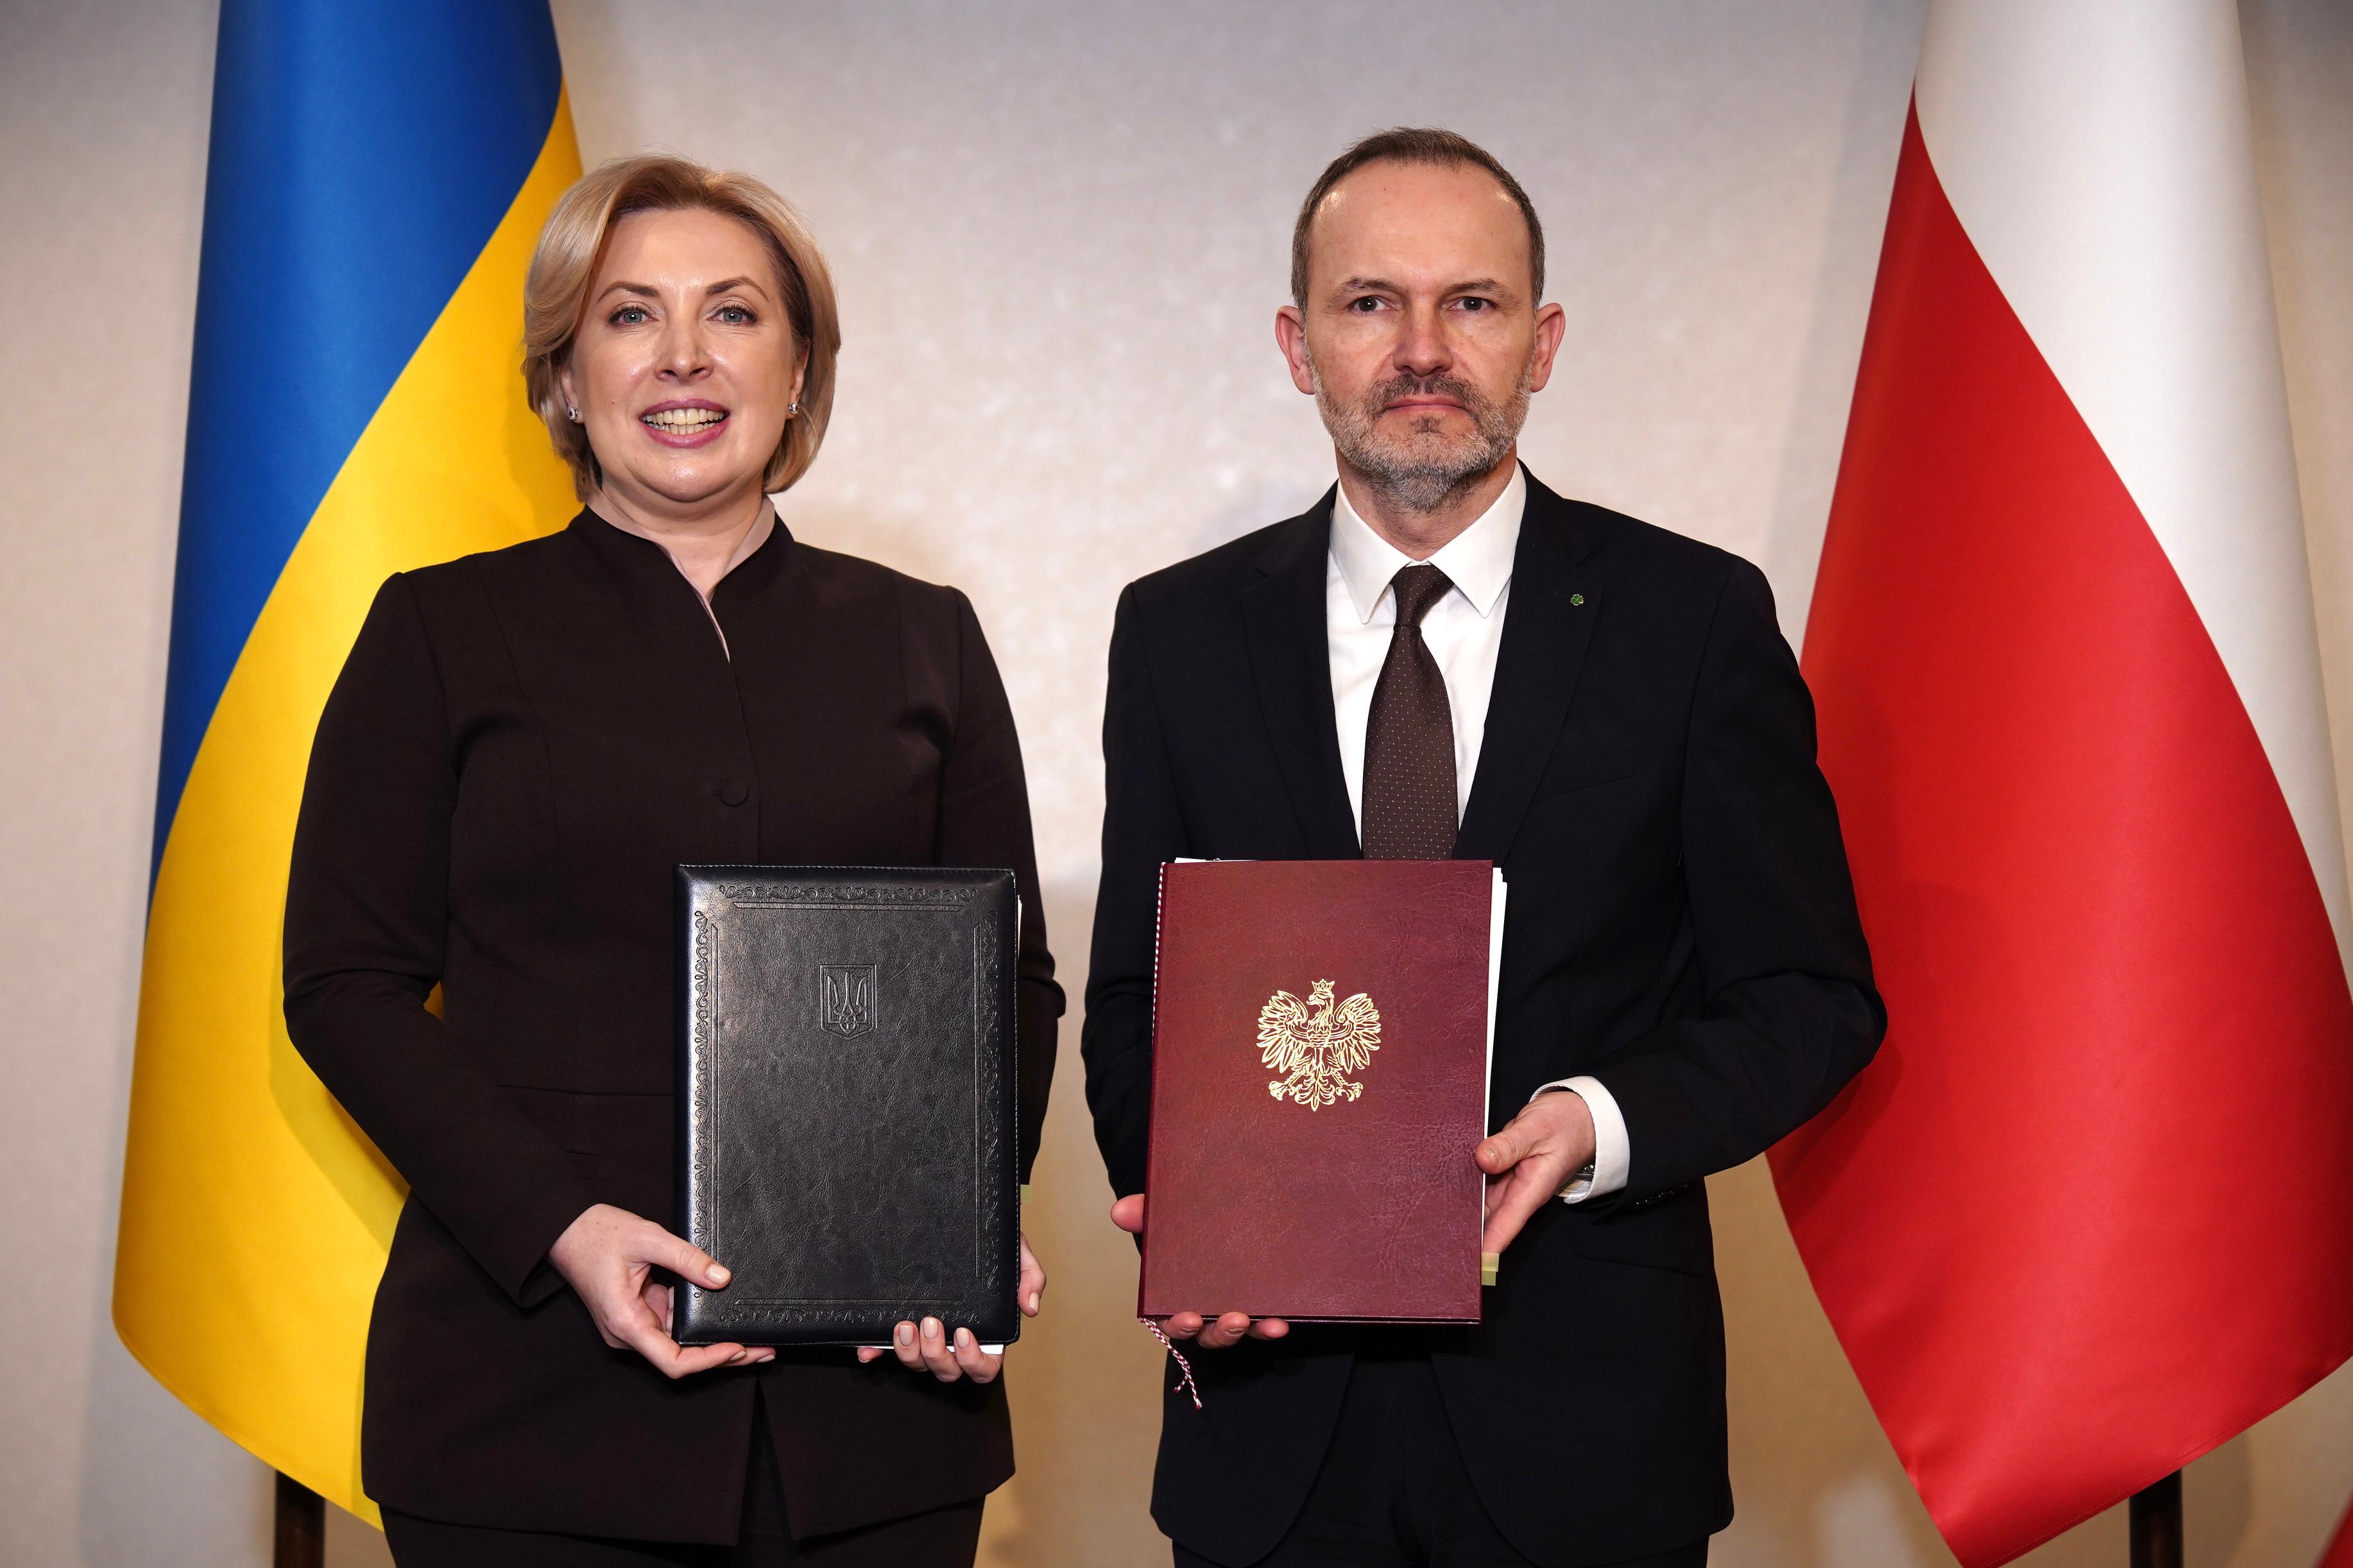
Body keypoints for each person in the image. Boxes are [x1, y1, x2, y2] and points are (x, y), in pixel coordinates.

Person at [1081, 128, 1884, 1568]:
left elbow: (1809, 997)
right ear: (1299, 346)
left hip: (1585, 1430)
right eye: (1370, 302)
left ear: (1541, 342)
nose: (1422, 350)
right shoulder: (1178, 632)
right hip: (1269, 1422)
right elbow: (1140, 991)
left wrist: (1596, 1120)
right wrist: (1195, 1217)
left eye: (1472, 302)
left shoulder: (1692, 621)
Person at [284, 154, 1060, 1566]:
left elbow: (1008, 983)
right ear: (565, 377)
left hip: (874, 1426)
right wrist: (562, 1226)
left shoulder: (924, 636)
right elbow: (344, 985)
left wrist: (957, 1217)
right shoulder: (438, 631)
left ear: (799, 371)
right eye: (630, 315)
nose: (684, 356)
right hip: (525, 1411)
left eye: (735, 313)